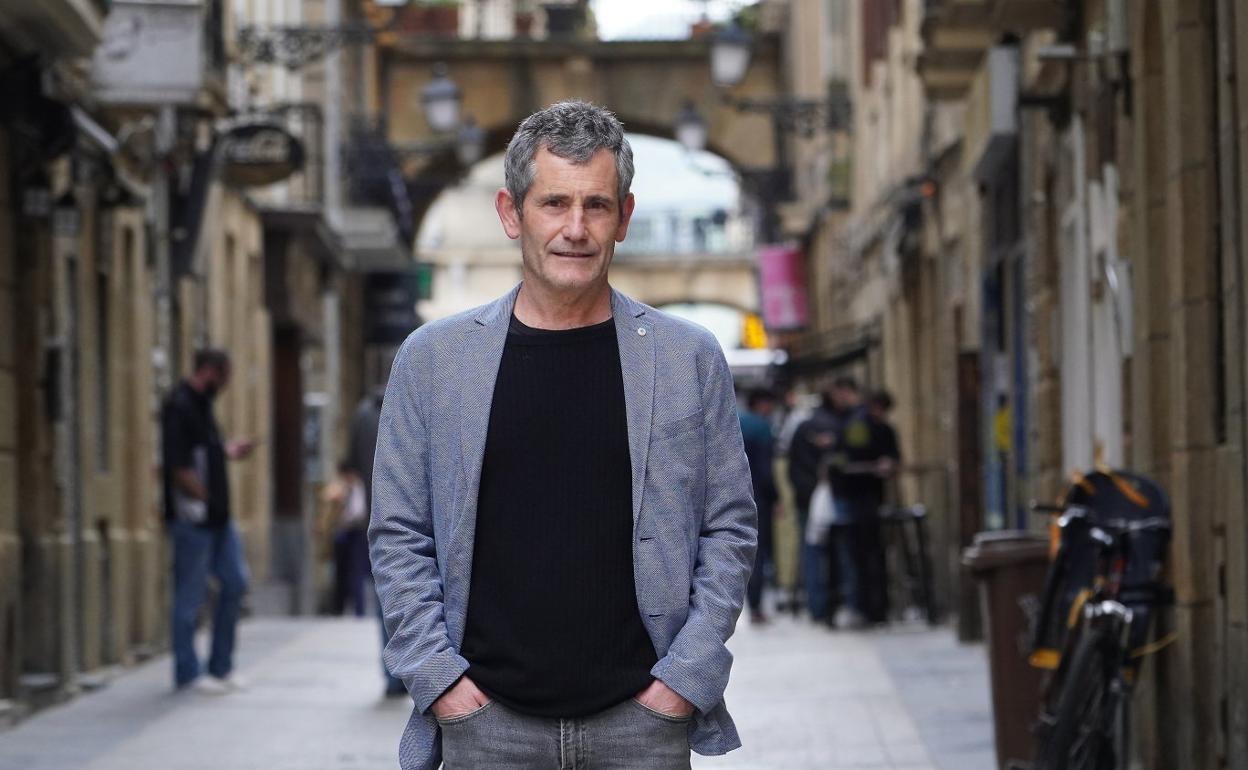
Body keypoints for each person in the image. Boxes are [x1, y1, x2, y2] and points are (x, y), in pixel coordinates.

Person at [369, 101, 757, 770]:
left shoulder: (686, 358)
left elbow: (729, 525)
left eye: (596, 206)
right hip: (487, 729)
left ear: (624, 218)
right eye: (554, 203)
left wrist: (685, 678)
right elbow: (399, 532)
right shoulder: (435, 361)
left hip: (642, 727)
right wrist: (441, 682)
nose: (575, 229)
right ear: (511, 212)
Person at [161, 349, 255, 694]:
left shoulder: (203, 406)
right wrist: (203, 497)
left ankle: (220, 667)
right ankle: (187, 672)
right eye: (224, 376)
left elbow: (203, 452)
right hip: (194, 519)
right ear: (209, 371)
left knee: (235, 582)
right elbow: (178, 467)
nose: (226, 384)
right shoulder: (180, 406)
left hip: (218, 518)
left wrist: (227, 451)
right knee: (190, 595)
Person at [345, 387, 405, 696]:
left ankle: (393, 674)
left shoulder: (362, 415)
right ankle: (414, 672)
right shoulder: (413, 407)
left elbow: (350, 464)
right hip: (413, 516)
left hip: (376, 517)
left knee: (386, 595)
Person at [830, 386, 900, 627]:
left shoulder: (874, 426)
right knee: (863, 554)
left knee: (865, 554)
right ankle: (869, 608)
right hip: (860, 497)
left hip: (864, 497)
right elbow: (850, 458)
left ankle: (872, 608)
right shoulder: (860, 426)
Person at [739, 388, 778, 624]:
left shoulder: (737, 421)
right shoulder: (762, 427)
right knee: (759, 552)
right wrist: (776, 497)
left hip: (736, 495)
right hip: (759, 498)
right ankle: (756, 606)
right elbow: (765, 469)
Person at [318, 461, 370, 616]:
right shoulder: (340, 486)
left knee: (356, 570)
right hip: (341, 533)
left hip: (355, 532)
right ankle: (338, 608)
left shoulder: (358, 487)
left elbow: (358, 512)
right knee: (340, 571)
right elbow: (325, 496)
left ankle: (359, 609)